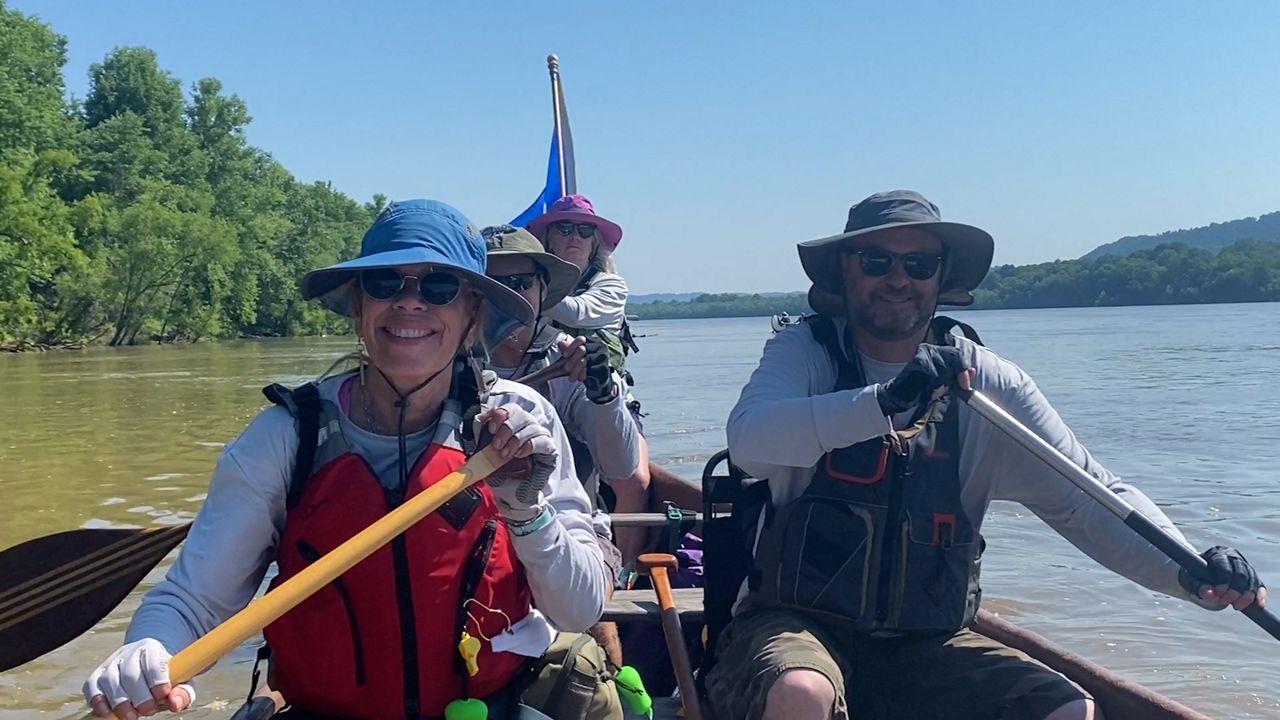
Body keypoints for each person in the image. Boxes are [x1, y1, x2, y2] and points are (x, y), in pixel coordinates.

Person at [704, 190, 1267, 720]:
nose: (898, 278)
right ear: (845, 270)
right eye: (876, 261)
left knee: (1071, 709)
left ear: (941, 277)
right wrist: (885, 402)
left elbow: (1091, 498)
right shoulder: (805, 352)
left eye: (918, 265)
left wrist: (1192, 571)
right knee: (804, 691)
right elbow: (751, 444)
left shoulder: (990, 384)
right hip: (793, 627)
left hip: (927, 643)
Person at [82, 200, 610, 720]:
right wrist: (147, 650)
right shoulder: (286, 437)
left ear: (473, 316)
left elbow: (577, 609)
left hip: (480, 711)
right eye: (384, 284)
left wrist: (525, 511)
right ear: (359, 308)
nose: (409, 302)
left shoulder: (520, 422)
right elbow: (193, 600)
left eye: (439, 287)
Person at [479, 223, 642, 666]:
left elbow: (623, 465)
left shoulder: (570, 358)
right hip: (476, 540)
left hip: (572, 531)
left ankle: (611, 689)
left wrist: (602, 389)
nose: (507, 296)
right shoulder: (441, 366)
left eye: (520, 284)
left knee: (593, 631)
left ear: (542, 291)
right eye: (492, 283)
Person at [528, 195, 652, 562]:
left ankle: (623, 567)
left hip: (603, 396)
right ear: (549, 237)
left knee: (636, 481)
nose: (575, 236)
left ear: (596, 241)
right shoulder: (530, 281)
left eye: (585, 230)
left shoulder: (611, 286)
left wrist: (524, 289)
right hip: (543, 395)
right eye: (564, 227)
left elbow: (577, 312)